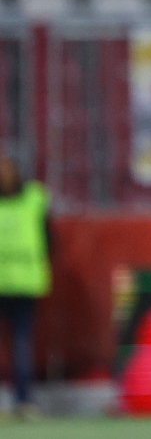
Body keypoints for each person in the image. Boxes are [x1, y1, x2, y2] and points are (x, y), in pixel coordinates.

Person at [0, 156, 52, 420]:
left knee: (21, 344)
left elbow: (48, 238)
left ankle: (24, 401)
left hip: (24, 284)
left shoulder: (34, 197)